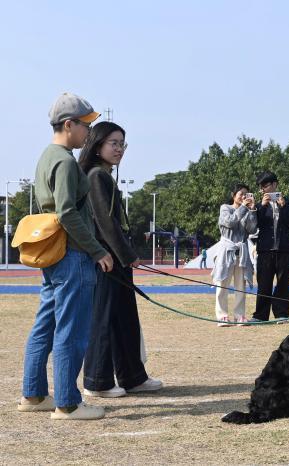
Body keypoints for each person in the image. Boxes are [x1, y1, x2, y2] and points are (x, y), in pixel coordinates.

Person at [19, 93, 113, 421]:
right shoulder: (64, 160)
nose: (89, 131)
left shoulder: (47, 156)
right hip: (72, 254)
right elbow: (67, 213)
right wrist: (98, 250)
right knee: (71, 330)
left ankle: (33, 394)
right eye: (86, 125)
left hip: (55, 254)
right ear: (68, 124)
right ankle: (68, 403)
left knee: (45, 323)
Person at [78, 121, 162, 398]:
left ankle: (132, 377)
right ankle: (97, 382)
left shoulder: (104, 174)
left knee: (125, 317)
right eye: (113, 143)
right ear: (97, 144)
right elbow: (105, 223)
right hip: (107, 260)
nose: (119, 149)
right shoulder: (95, 176)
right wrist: (128, 256)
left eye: (122, 144)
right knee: (104, 319)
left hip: (117, 258)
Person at [251, 172, 289, 321]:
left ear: (274, 185)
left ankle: (281, 314)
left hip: (284, 248)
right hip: (265, 249)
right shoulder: (260, 206)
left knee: (283, 282)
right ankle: (260, 315)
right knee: (264, 282)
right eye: (261, 187)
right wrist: (261, 207)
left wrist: (284, 206)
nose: (263, 190)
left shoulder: (288, 203)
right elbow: (254, 225)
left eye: (265, 186)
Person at [211, 184, 257, 326]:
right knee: (222, 283)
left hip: (242, 252)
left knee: (240, 285)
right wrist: (243, 208)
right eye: (241, 193)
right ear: (234, 195)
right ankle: (222, 316)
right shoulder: (225, 208)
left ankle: (240, 315)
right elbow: (230, 222)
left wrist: (253, 210)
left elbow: (252, 229)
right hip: (227, 250)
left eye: (246, 194)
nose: (244, 196)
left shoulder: (247, 211)